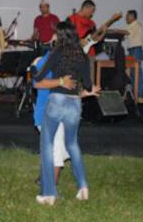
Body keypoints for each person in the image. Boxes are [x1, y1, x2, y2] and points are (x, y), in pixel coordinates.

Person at [32, 21, 100, 205]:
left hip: (57, 101)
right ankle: (83, 187)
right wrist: (88, 89)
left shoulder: (57, 52)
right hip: (75, 103)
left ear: (60, 35)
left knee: (47, 145)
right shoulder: (82, 55)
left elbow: (38, 77)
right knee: (72, 144)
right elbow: (87, 84)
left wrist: (34, 66)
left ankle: (49, 194)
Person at [31, 46, 73, 188]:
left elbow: (69, 87)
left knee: (55, 150)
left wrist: (86, 92)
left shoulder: (66, 60)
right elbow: (37, 83)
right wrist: (61, 81)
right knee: (56, 152)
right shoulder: (46, 60)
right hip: (47, 114)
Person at [120, 10, 143, 95]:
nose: (126, 18)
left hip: (136, 50)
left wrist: (115, 30)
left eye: (127, 16)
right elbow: (125, 35)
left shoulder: (137, 25)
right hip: (132, 50)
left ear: (133, 16)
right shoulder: (130, 26)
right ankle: (135, 93)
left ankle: (140, 94)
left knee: (136, 71)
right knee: (132, 72)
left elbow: (126, 32)